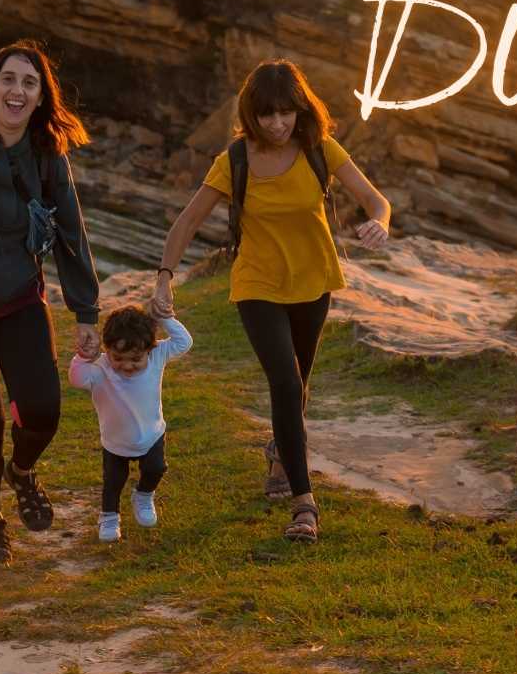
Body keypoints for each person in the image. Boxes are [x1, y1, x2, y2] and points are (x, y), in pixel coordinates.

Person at [153, 59, 390, 543]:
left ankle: (281, 452)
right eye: (267, 115)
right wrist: (164, 279)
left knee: (297, 385)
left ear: (300, 110)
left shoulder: (319, 148)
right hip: (258, 285)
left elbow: (375, 200)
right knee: (284, 380)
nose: (278, 124)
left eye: (286, 113)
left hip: (314, 281)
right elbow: (187, 223)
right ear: (251, 113)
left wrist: (380, 223)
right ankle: (305, 506)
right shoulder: (234, 161)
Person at [0, 40, 100, 564]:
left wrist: (85, 311)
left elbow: (71, 234)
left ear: (40, 98)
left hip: (19, 301)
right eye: (9, 79)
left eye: (29, 83)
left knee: (42, 411)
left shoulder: (45, 154)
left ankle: (22, 471)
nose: (17, 91)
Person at [69, 303, 192, 543]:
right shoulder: (100, 368)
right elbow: (76, 379)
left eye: (135, 358)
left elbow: (184, 342)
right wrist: (83, 357)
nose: (127, 365)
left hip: (152, 434)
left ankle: (144, 495)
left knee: (156, 468)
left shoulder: (157, 356)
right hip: (115, 442)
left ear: (150, 349)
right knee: (113, 481)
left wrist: (164, 319)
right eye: (118, 358)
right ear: (107, 350)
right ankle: (109, 517)